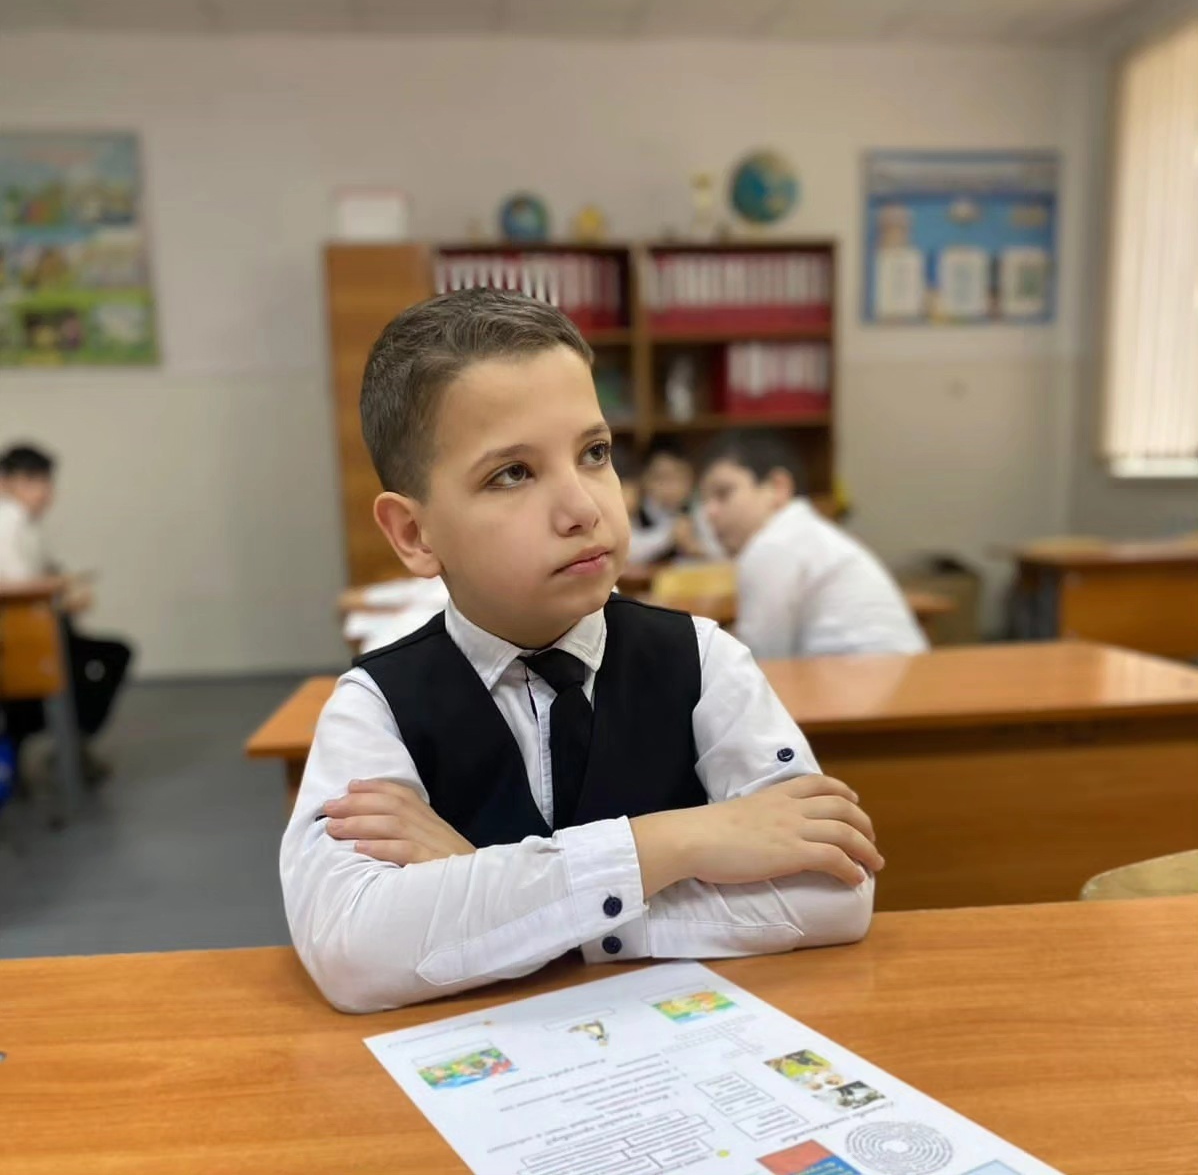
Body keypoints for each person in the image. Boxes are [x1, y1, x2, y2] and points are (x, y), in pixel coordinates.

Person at [280, 289, 883, 1013]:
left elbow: (836, 890)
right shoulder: (375, 707)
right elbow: (352, 949)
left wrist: (487, 893)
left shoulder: (703, 661)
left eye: (595, 453)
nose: (585, 508)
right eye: (512, 473)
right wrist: (676, 844)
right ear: (414, 534)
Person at [698, 431, 926, 660]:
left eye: (723, 494)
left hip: (866, 675)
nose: (710, 512)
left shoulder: (773, 545)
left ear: (778, 487)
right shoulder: (805, 532)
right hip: (906, 670)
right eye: (704, 500)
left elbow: (759, 661)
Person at [0, 443, 133, 780]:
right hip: (21, 639)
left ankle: (70, 740)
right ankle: (69, 741)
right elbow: (19, 587)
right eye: (33, 481)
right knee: (98, 662)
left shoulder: (25, 523)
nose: (44, 491)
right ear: (7, 482)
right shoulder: (8, 520)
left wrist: (61, 589)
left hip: (36, 629)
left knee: (106, 656)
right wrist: (59, 593)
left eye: (46, 481)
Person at [621, 435, 720, 565]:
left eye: (679, 477)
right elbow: (627, 552)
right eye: (661, 478)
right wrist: (669, 536)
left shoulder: (699, 509)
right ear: (644, 479)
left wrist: (695, 547)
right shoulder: (635, 509)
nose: (670, 488)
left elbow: (723, 551)